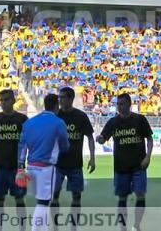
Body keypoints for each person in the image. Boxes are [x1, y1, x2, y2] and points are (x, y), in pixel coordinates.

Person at [97, 93, 153, 231]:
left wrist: (148, 157)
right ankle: (123, 228)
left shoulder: (140, 120)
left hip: (139, 165)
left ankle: (137, 225)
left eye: (121, 104)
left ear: (129, 104)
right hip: (121, 167)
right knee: (122, 199)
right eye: (117, 104)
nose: (119, 106)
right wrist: (100, 138)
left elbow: (150, 139)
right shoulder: (113, 122)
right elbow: (103, 138)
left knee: (140, 196)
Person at [18, 93, 70, 231]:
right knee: (43, 202)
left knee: (40, 201)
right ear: (56, 106)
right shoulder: (59, 123)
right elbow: (65, 145)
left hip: (32, 166)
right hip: (46, 167)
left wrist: (20, 166)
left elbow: (22, 146)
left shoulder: (29, 122)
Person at [51, 86, 95, 231]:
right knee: (54, 196)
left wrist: (92, 158)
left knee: (76, 197)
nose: (60, 100)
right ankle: (55, 226)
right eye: (59, 97)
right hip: (57, 164)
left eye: (62, 97)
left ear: (70, 99)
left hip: (75, 164)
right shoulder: (55, 116)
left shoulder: (81, 116)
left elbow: (90, 137)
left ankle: (73, 227)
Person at [0, 89, 28, 231]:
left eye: (6, 99)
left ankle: (22, 229)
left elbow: (30, 141)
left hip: (17, 168)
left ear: (14, 101)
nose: (3, 102)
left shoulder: (22, 120)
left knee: (20, 199)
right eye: (1, 100)